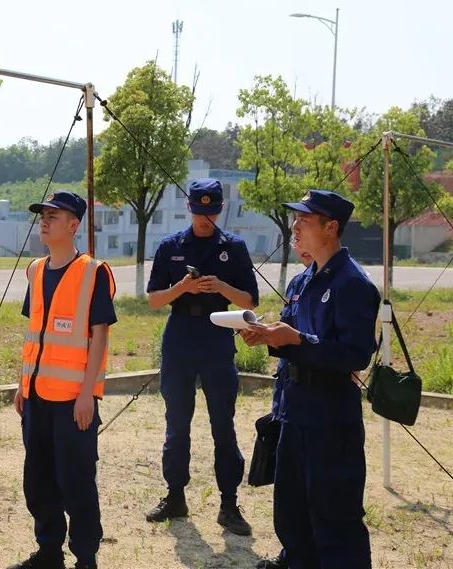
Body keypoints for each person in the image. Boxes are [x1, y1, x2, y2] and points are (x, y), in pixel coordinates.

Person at [242, 190, 378, 568]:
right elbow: (294, 344)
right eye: (295, 219)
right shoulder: (301, 282)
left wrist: (298, 340)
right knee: (292, 512)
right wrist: (269, 336)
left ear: (331, 227)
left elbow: (354, 355)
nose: (295, 228)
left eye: (304, 220)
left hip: (330, 417)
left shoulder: (354, 284)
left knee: (334, 518)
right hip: (294, 409)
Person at [144, 178, 258, 536]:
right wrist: (183, 287)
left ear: (220, 209)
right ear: (189, 208)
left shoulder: (234, 247)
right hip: (180, 336)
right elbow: (153, 299)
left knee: (222, 423)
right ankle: (175, 495)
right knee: (177, 422)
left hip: (217, 336)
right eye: (198, 210)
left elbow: (250, 302)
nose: (204, 217)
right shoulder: (171, 246)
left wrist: (221, 287)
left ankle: (228, 503)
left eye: (210, 211)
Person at [9, 192, 116, 569]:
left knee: (77, 485)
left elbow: (100, 336)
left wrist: (88, 394)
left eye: (53, 215)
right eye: (42, 214)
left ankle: (85, 557)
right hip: (36, 398)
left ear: (74, 225)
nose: (45, 220)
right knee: (38, 481)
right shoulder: (36, 270)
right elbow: (35, 331)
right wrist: (22, 386)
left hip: (74, 402)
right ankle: (48, 552)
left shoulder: (93, 271)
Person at [254, 242, 313, 569]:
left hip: (317, 399)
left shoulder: (345, 285)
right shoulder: (297, 284)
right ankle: (291, 555)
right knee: (288, 490)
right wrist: (264, 335)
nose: (297, 244)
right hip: (288, 391)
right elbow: (286, 334)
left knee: (314, 490)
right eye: (295, 239)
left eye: (303, 232)